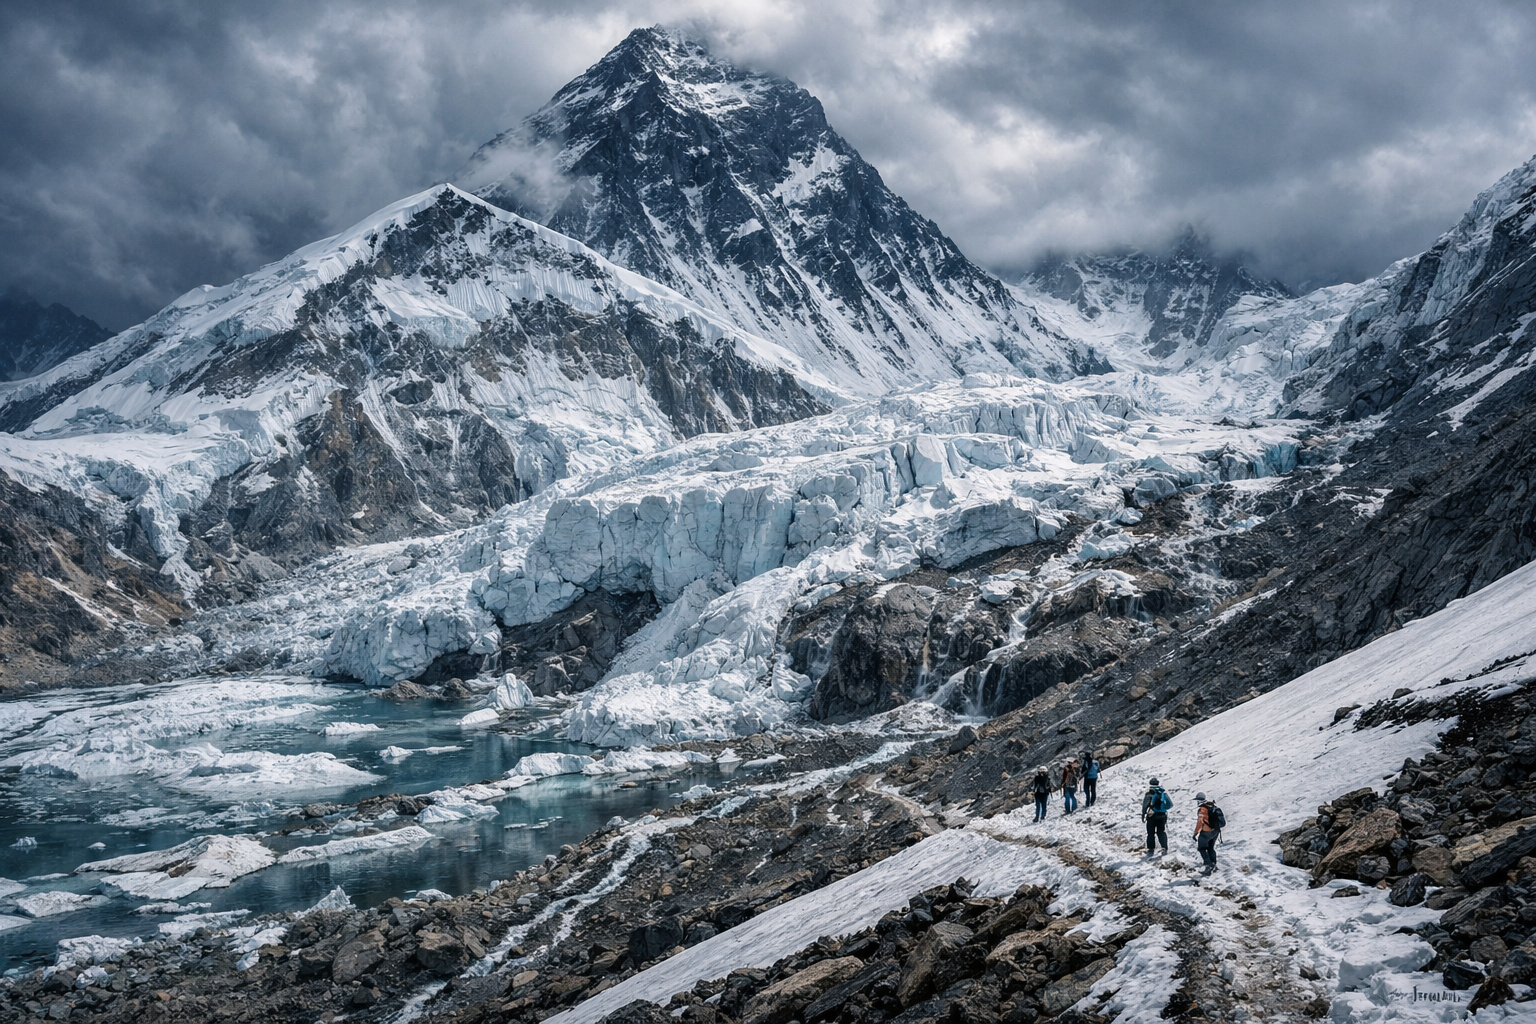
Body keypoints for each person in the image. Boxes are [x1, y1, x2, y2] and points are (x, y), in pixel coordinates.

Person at [1141, 777, 1172, 855]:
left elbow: (1145, 805)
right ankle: (1164, 847)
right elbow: (1170, 804)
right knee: (1161, 831)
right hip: (1162, 815)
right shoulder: (1163, 792)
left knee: (1151, 833)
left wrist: (1143, 814)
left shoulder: (1149, 793)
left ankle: (1151, 849)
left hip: (1152, 816)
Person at [1194, 792, 1221, 875]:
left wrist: (1195, 833)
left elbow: (1200, 823)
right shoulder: (1212, 806)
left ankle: (1208, 866)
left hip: (1206, 832)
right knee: (1211, 848)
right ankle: (1213, 864)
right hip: (1215, 831)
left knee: (1202, 848)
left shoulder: (1202, 809)